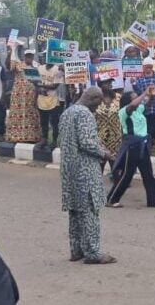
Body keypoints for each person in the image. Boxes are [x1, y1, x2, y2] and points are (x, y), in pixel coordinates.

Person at [59, 86, 116, 264]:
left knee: (75, 211)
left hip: (69, 169)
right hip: (85, 169)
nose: (98, 108)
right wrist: (105, 154)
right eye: (98, 103)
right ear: (93, 98)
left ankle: (76, 250)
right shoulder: (85, 114)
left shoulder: (67, 113)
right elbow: (86, 142)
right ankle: (93, 253)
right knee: (90, 210)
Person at [106, 90, 155, 208]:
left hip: (143, 144)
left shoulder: (138, 110)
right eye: (134, 98)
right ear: (128, 101)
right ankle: (111, 199)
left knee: (148, 174)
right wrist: (144, 94)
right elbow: (133, 105)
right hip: (132, 146)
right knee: (126, 175)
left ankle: (154, 201)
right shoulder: (124, 112)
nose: (138, 99)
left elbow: (146, 103)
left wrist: (150, 93)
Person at [5, 46, 42, 144]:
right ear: (24, 56)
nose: (29, 57)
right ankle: (15, 136)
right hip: (18, 96)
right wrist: (9, 54)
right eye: (27, 55)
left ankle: (32, 137)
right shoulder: (18, 64)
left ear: (33, 56)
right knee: (17, 114)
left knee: (31, 114)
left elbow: (40, 80)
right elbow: (8, 66)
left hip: (32, 95)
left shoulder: (37, 66)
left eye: (30, 55)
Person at [133, 57, 155, 154]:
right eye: (146, 67)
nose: (148, 69)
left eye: (150, 67)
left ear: (152, 67)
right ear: (143, 67)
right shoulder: (139, 78)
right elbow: (137, 91)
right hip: (144, 108)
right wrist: (133, 83)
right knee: (146, 129)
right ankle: (148, 148)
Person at [95, 78, 122, 172]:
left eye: (110, 82)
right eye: (106, 82)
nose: (110, 84)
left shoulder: (118, 97)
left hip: (116, 138)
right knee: (99, 169)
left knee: (116, 169)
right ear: (100, 85)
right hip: (100, 138)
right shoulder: (95, 99)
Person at [38, 55, 63, 148]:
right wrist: (39, 88)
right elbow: (35, 80)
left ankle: (55, 140)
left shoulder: (58, 70)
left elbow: (55, 86)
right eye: (45, 56)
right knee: (43, 121)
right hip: (41, 100)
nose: (46, 58)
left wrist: (41, 86)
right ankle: (44, 139)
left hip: (53, 100)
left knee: (54, 122)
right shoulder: (40, 68)